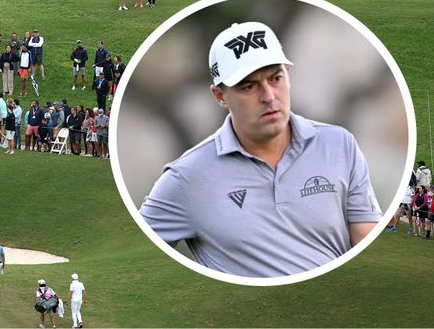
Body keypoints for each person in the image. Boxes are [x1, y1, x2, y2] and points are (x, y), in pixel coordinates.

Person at [140, 21, 380, 278]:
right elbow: (132, 255)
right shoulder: (186, 177)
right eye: (248, 86)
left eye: (275, 78)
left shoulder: (339, 144)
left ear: (288, 73)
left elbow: (368, 244)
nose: (268, 96)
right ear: (220, 95)